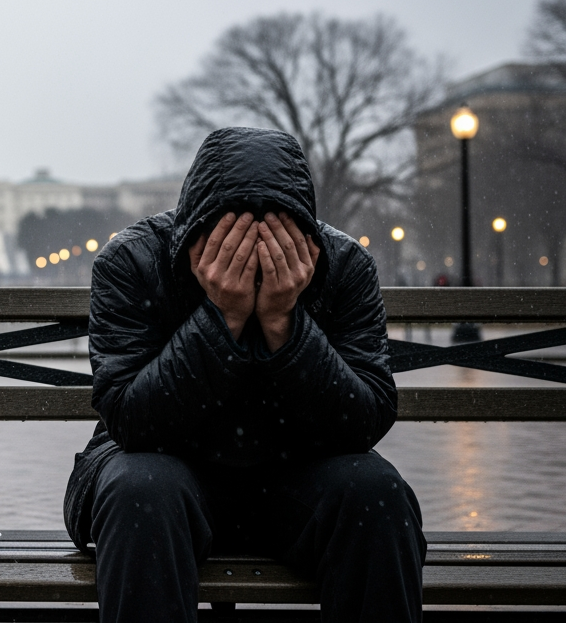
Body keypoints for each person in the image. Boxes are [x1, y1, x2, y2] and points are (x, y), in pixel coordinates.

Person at [64, 127, 424, 622]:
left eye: (276, 235)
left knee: (377, 493)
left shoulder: (344, 266)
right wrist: (221, 318)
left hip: (297, 473)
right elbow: (130, 421)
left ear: (304, 232)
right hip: (165, 471)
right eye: (230, 237)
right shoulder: (131, 261)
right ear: (197, 229)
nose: (253, 253)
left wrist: (284, 324)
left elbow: (364, 420)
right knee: (140, 489)